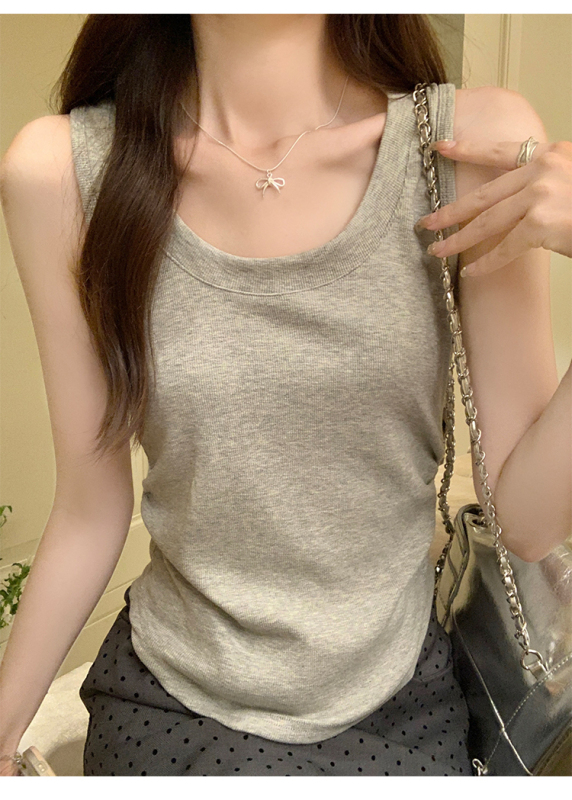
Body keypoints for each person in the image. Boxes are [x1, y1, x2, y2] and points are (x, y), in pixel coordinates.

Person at [0, 13, 570, 778]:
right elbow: (89, 509)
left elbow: (527, 523)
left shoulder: (470, 148)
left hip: (396, 707)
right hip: (168, 705)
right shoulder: (64, 172)